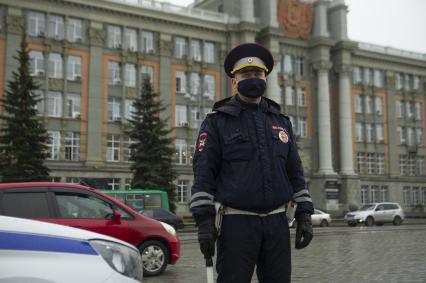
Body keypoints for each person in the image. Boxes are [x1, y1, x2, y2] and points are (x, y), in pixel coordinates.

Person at [190, 42, 314, 283]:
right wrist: (204, 223)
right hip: (236, 224)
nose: (253, 78)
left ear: (265, 78)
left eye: (257, 73)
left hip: (278, 224)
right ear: (234, 81)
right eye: (246, 74)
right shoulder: (217, 122)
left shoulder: (281, 121)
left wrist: (305, 215)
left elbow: (295, 173)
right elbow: (204, 174)